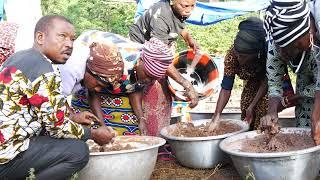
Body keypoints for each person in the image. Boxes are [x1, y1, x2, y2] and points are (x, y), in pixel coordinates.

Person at [0, 15, 115, 179]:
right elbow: (56, 127)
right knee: (78, 151)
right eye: (62, 36)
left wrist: (73, 118)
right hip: (7, 157)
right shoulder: (45, 70)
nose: (69, 44)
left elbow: (41, 115)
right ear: (40, 37)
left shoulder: (19, 57)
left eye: (72, 39)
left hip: (5, 146)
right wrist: (94, 134)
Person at [62, 30, 198, 136]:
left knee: (131, 127)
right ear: (138, 63)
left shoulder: (148, 62)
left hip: (101, 77)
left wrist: (141, 119)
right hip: (91, 69)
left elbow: (136, 87)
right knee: (88, 125)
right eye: (148, 76)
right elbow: (92, 92)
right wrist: (101, 124)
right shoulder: (108, 64)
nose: (148, 81)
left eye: (152, 79)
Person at [128, 0, 199, 134]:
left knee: (164, 100)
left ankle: (160, 136)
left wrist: (189, 39)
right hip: (144, 55)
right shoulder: (160, 17)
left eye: (192, 6)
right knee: (151, 102)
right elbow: (159, 58)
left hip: (159, 52)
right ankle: (151, 137)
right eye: (185, 6)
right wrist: (186, 84)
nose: (189, 10)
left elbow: (179, 25)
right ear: (172, 2)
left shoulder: (177, 11)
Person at [262, 0, 320, 143]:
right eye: (280, 49)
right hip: (304, 78)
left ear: (307, 34)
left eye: (289, 49)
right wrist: (272, 112)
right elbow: (274, 83)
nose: (282, 54)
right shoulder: (277, 44)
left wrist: (316, 116)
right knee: (305, 126)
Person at [209, 17, 269, 130]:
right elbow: (226, 87)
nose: (239, 59)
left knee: (263, 109)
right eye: (238, 55)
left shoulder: (267, 53)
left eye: (244, 56)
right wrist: (216, 116)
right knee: (246, 110)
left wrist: (253, 105)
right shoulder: (232, 55)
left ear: (256, 54)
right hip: (250, 83)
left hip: (268, 84)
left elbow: (266, 81)